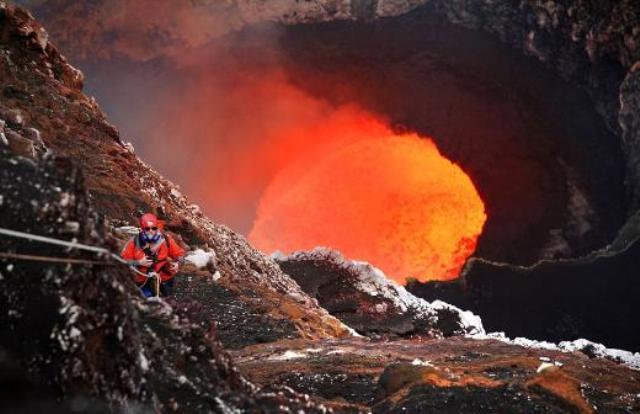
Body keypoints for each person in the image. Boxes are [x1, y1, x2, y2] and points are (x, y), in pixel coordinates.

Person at [121, 213, 185, 298]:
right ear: (142, 229)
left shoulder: (166, 240)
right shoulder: (134, 243)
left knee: (168, 301)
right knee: (142, 302)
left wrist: (178, 263)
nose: (151, 231)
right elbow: (122, 262)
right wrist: (139, 262)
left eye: (153, 228)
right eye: (147, 229)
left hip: (162, 278)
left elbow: (180, 254)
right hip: (141, 280)